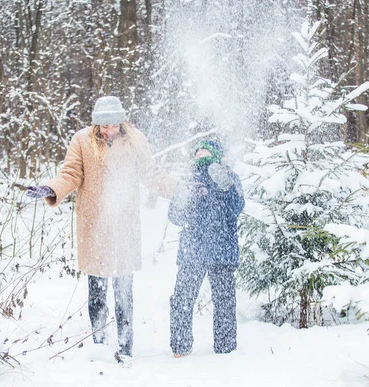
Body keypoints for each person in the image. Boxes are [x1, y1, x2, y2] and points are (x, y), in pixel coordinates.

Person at [26, 96, 177, 360]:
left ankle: (126, 346)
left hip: (124, 226)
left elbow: (152, 174)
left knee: (123, 290)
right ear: (96, 125)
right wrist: (51, 188)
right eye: (104, 126)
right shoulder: (82, 141)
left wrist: (179, 190)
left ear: (122, 121)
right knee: (96, 289)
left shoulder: (134, 140)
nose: (109, 131)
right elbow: (71, 174)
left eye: (114, 125)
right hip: (94, 225)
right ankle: (98, 342)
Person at [168, 139, 245, 357]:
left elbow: (236, 208)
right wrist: (184, 198)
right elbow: (175, 216)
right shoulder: (188, 181)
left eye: (206, 151)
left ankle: (226, 349)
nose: (201, 154)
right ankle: (180, 348)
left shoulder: (229, 177)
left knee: (224, 302)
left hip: (222, 251)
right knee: (182, 299)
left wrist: (225, 186)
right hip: (193, 251)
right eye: (198, 151)